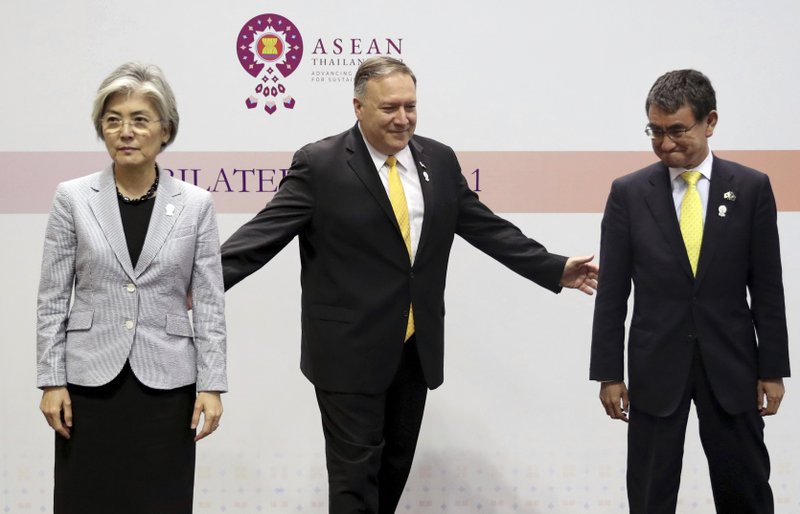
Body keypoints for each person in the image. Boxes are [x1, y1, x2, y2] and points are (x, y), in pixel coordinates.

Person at [221, 56, 598, 514]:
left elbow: (485, 227)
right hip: (347, 349)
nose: (403, 119)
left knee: (393, 469)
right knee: (354, 478)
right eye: (389, 108)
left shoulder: (437, 159)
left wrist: (553, 268)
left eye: (411, 106)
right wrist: (201, 282)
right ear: (358, 107)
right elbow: (263, 234)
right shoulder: (320, 164)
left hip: (414, 347)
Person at [590, 69, 790, 513]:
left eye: (677, 130)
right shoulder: (628, 193)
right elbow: (612, 293)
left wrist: (773, 369)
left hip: (733, 367)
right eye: (655, 132)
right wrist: (608, 373)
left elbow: (768, 287)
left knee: (747, 492)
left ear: (710, 122)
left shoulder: (752, 187)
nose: (665, 144)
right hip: (655, 367)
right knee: (650, 494)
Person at [36, 62, 227, 514]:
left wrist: (213, 384)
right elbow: (51, 297)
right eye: (113, 120)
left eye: (140, 119)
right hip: (88, 384)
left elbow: (210, 301)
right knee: (87, 499)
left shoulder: (196, 205)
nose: (125, 131)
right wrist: (50, 379)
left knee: (161, 499)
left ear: (165, 130)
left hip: (168, 383)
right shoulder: (73, 198)